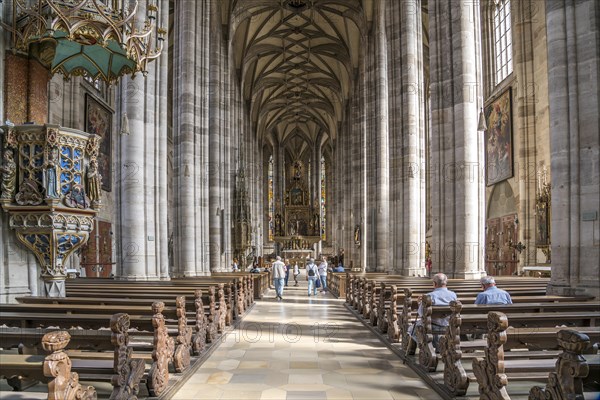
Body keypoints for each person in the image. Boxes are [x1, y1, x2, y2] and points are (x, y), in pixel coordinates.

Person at [411, 273, 457, 351]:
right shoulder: (453, 295)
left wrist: (419, 303)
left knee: (411, 329)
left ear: (434, 284)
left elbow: (422, 314)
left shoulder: (429, 296)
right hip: (448, 324)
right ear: (445, 283)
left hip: (432, 326)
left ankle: (423, 347)